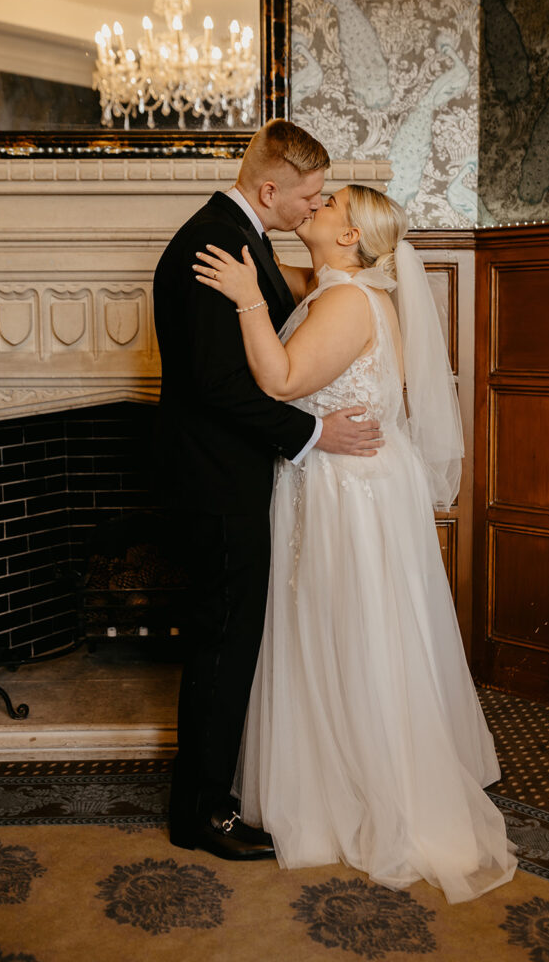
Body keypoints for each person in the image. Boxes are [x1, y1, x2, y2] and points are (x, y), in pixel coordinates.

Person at [192, 183, 518, 902]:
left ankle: (364, 792)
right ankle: (342, 778)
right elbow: (303, 288)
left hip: (348, 492)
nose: (318, 204)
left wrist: (248, 296)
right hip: (347, 482)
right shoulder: (338, 287)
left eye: (331, 203)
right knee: (346, 631)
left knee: (347, 631)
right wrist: (266, 271)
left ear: (350, 238)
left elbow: (278, 380)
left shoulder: (346, 301)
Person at [153, 122, 384, 862]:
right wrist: (315, 436)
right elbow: (220, 384)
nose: (313, 207)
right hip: (217, 482)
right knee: (223, 644)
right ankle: (201, 813)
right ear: (268, 190)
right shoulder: (211, 244)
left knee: (234, 639)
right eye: (309, 196)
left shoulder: (244, 237)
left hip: (237, 474)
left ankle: (211, 795)